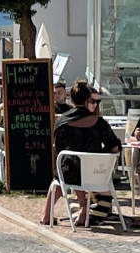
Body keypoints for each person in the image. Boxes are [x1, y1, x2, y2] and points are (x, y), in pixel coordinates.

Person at [44, 81, 123, 228]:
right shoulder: (99, 122)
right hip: (96, 173)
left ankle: (47, 214)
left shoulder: (61, 122)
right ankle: (84, 210)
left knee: (62, 173)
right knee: (81, 167)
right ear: (88, 100)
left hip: (70, 173)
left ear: (72, 100)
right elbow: (114, 147)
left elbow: (59, 149)